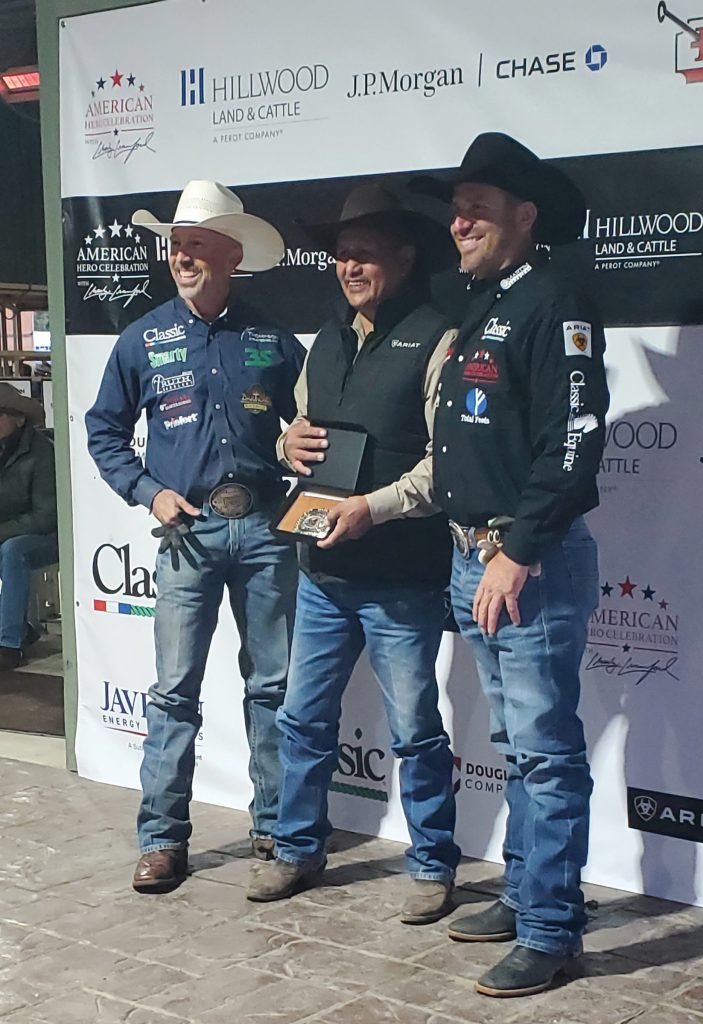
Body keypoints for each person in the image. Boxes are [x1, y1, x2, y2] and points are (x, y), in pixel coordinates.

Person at [412, 133, 609, 996]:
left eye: (479, 209)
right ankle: (530, 893)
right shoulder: (485, 304)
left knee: (546, 754)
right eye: (457, 211)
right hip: (473, 560)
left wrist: (516, 551)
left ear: (524, 218)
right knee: (518, 747)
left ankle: (551, 931)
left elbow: (574, 440)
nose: (461, 223)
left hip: (521, 565)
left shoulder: (553, 299)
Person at [246, 183, 461, 924]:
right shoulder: (327, 340)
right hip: (320, 574)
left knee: (415, 732)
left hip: (402, 578)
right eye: (341, 254)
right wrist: (285, 441)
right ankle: (297, 848)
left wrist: (374, 508)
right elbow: (299, 430)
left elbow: (448, 465)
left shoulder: (440, 336)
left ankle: (433, 863)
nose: (349, 266)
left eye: (365, 253)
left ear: (403, 257)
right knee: (302, 720)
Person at [86, 180, 305, 895]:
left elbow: (310, 431)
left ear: (231, 255)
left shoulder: (274, 338)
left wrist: (297, 451)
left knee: (271, 687)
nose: (181, 256)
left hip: (268, 528)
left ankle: (274, 827)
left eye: (196, 245)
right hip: (187, 533)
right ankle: (160, 841)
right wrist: (150, 492)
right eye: (176, 245)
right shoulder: (142, 338)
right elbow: (103, 432)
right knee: (174, 693)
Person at [0, 385, 58, 671]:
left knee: (13, 552)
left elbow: (47, 517)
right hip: (12, 532)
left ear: (18, 419)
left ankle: (10, 646)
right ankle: (19, 628)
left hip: (51, 536)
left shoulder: (42, 453)